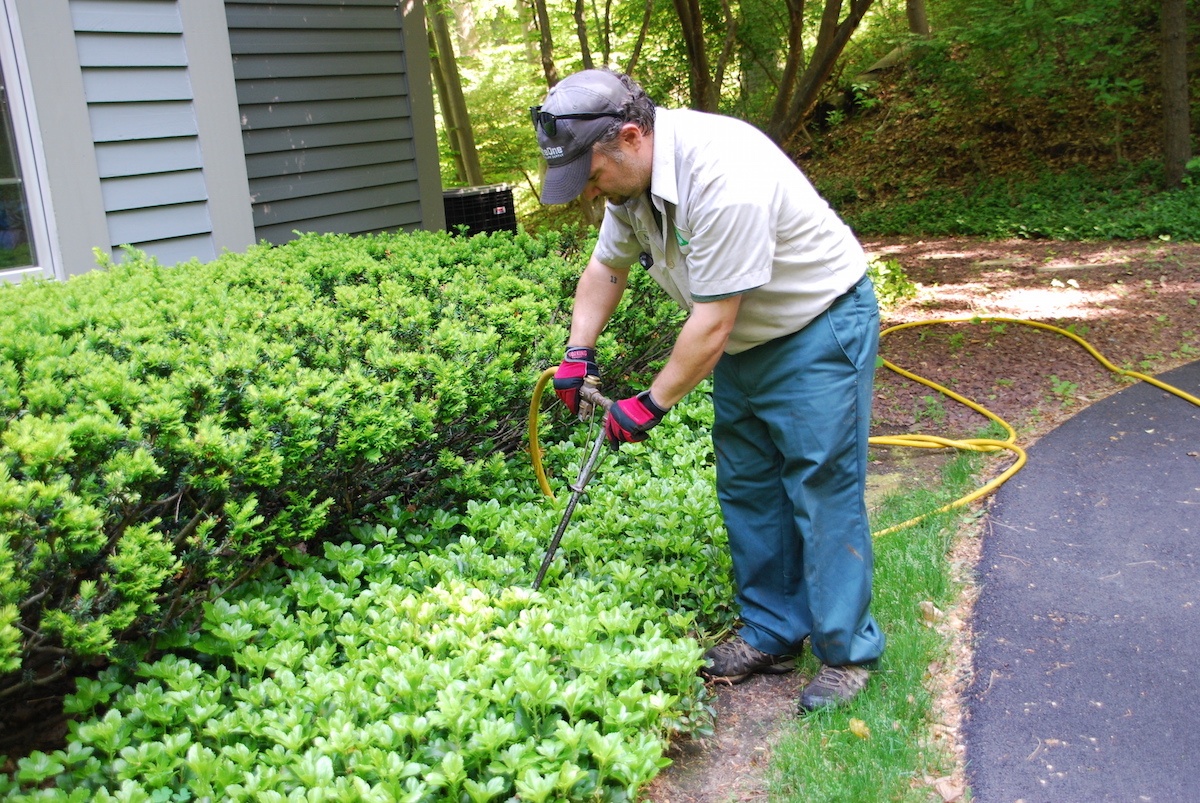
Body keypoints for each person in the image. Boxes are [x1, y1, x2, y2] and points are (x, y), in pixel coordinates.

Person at [533, 68, 883, 712]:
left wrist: (650, 403)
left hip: (815, 326)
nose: (589, 190)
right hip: (742, 341)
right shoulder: (629, 185)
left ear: (631, 137)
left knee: (820, 486)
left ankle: (846, 652)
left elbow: (714, 319)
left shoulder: (724, 175)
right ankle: (774, 631)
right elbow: (605, 269)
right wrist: (576, 353)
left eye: (591, 174)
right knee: (748, 485)